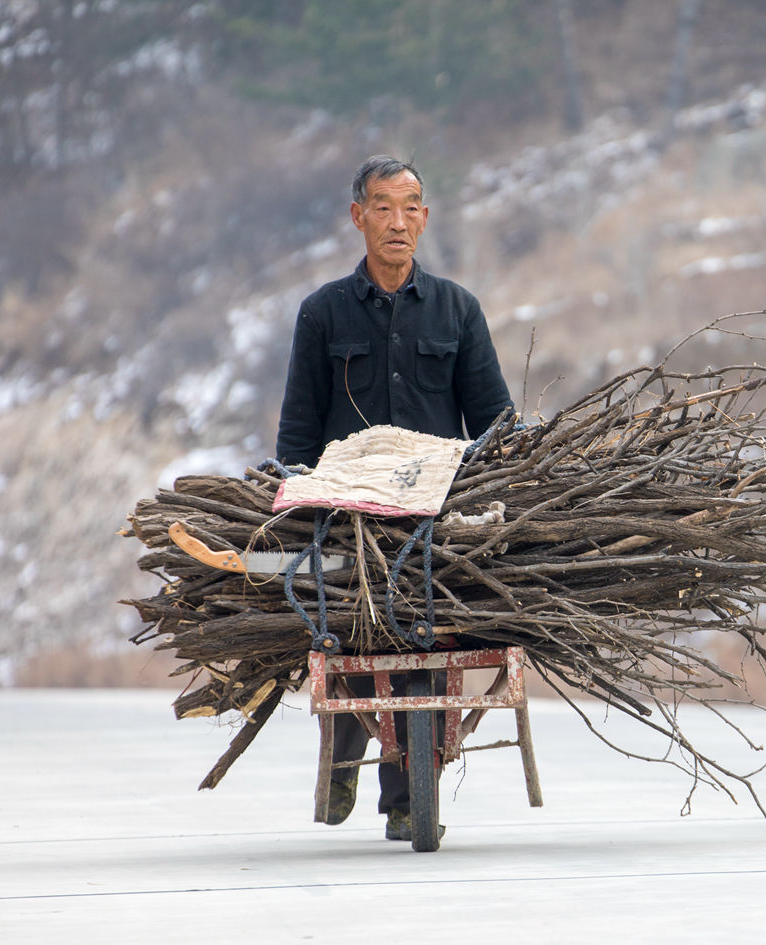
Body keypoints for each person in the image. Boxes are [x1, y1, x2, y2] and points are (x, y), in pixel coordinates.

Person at [275, 155, 514, 840]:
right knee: (349, 631)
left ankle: (409, 792)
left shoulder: (457, 310)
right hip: (348, 513)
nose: (398, 221)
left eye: (411, 206)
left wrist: (516, 470)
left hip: (430, 512)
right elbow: (298, 430)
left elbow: (493, 419)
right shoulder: (322, 314)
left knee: (427, 635)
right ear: (359, 218)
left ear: (426, 218)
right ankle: (346, 755)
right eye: (383, 206)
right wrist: (300, 506)